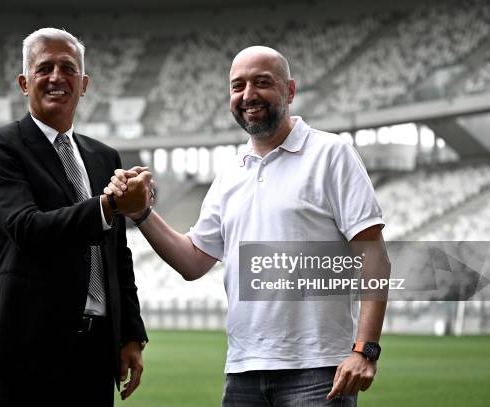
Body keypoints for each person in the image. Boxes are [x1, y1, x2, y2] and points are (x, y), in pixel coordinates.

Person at [107, 46, 390, 406]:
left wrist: (365, 350)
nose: (248, 95)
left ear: (289, 91)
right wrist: (141, 213)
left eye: (261, 82)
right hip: (243, 372)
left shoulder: (331, 154)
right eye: (237, 86)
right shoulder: (229, 173)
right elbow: (193, 261)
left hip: (319, 371)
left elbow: (375, 257)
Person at [0, 28, 153, 406]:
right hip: (27, 351)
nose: (57, 77)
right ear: (24, 82)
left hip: (96, 353)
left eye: (68, 68)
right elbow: (27, 227)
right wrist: (108, 206)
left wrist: (131, 335)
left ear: (83, 84)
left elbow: (117, 255)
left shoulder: (105, 157)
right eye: (45, 68)